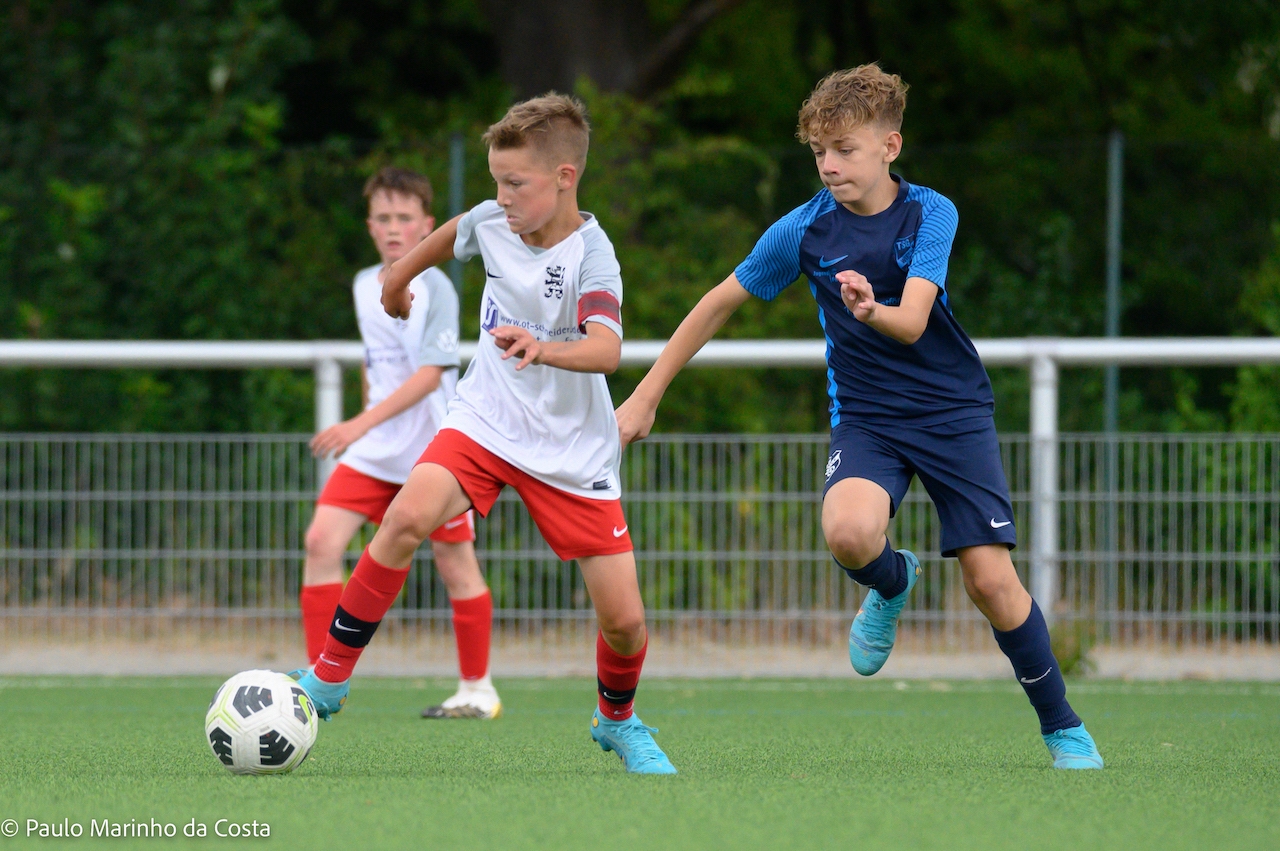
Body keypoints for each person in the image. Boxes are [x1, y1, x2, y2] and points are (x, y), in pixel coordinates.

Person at [615, 65, 1103, 770]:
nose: (829, 164)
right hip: (869, 418)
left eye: (844, 148)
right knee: (847, 533)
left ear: (889, 146)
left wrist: (871, 309)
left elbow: (912, 321)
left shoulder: (932, 212)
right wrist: (646, 394)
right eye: (819, 151)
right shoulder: (804, 229)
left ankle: (1063, 726)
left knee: (990, 581)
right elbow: (719, 301)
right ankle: (893, 581)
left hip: (952, 411)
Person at [296, 95, 676, 775]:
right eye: (496, 181)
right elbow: (453, 232)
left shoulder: (593, 255)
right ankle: (326, 678)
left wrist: (543, 346)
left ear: (564, 177)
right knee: (405, 518)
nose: (500, 198)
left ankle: (617, 720)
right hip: (486, 419)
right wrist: (399, 279)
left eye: (514, 183)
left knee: (624, 623)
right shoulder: (494, 220)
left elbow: (607, 349)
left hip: (571, 449)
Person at [302, 166, 501, 720]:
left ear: (427, 225)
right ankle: (321, 680)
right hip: (376, 449)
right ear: (370, 226)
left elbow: (431, 374)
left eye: (405, 217)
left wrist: (356, 424)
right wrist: (367, 423)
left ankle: (478, 690)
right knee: (321, 542)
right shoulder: (363, 284)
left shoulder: (436, 288)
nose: (394, 228)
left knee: (454, 562)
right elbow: (377, 364)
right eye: (384, 218)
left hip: (432, 451)